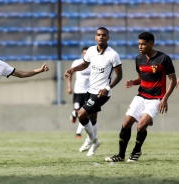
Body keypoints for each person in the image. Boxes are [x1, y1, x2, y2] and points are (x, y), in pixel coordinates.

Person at [105, 32, 176, 162]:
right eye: (139, 44)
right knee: (126, 123)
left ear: (151, 44)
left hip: (156, 99)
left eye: (143, 44)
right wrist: (133, 82)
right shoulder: (139, 59)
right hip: (141, 96)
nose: (140, 46)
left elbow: (173, 79)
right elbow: (141, 78)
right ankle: (120, 155)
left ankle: (136, 150)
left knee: (141, 126)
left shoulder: (163, 58)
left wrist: (165, 98)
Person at [64, 27, 123, 156]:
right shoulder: (90, 51)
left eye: (104, 35)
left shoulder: (113, 54)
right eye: (98, 35)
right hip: (90, 90)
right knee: (92, 118)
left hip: (103, 93)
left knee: (81, 114)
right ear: (95, 37)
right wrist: (73, 70)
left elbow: (119, 76)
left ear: (108, 37)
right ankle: (94, 144)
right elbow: (85, 65)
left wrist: (107, 88)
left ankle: (92, 139)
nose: (101, 37)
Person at [66, 46, 90, 139]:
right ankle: (73, 114)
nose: (85, 55)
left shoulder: (93, 63)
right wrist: (69, 86)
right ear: (81, 54)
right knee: (77, 111)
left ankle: (78, 132)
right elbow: (70, 73)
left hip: (88, 92)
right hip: (78, 91)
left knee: (84, 113)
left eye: (87, 53)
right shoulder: (77, 62)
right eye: (84, 53)